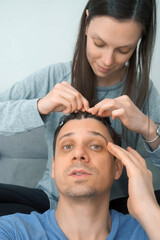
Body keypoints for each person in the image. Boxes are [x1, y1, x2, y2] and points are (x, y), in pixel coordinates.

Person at [0, 0, 160, 214]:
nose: (107, 60)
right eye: (99, 43)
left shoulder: (143, 89)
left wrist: (148, 128)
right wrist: (41, 106)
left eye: (123, 50)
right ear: (87, 23)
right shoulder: (54, 77)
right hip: (52, 202)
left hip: (116, 207)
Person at [0, 111, 159, 240]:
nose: (79, 154)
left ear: (117, 167)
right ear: (53, 168)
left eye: (96, 146)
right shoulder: (12, 231)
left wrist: (148, 210)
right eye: (67, 146)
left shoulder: (148, 229)